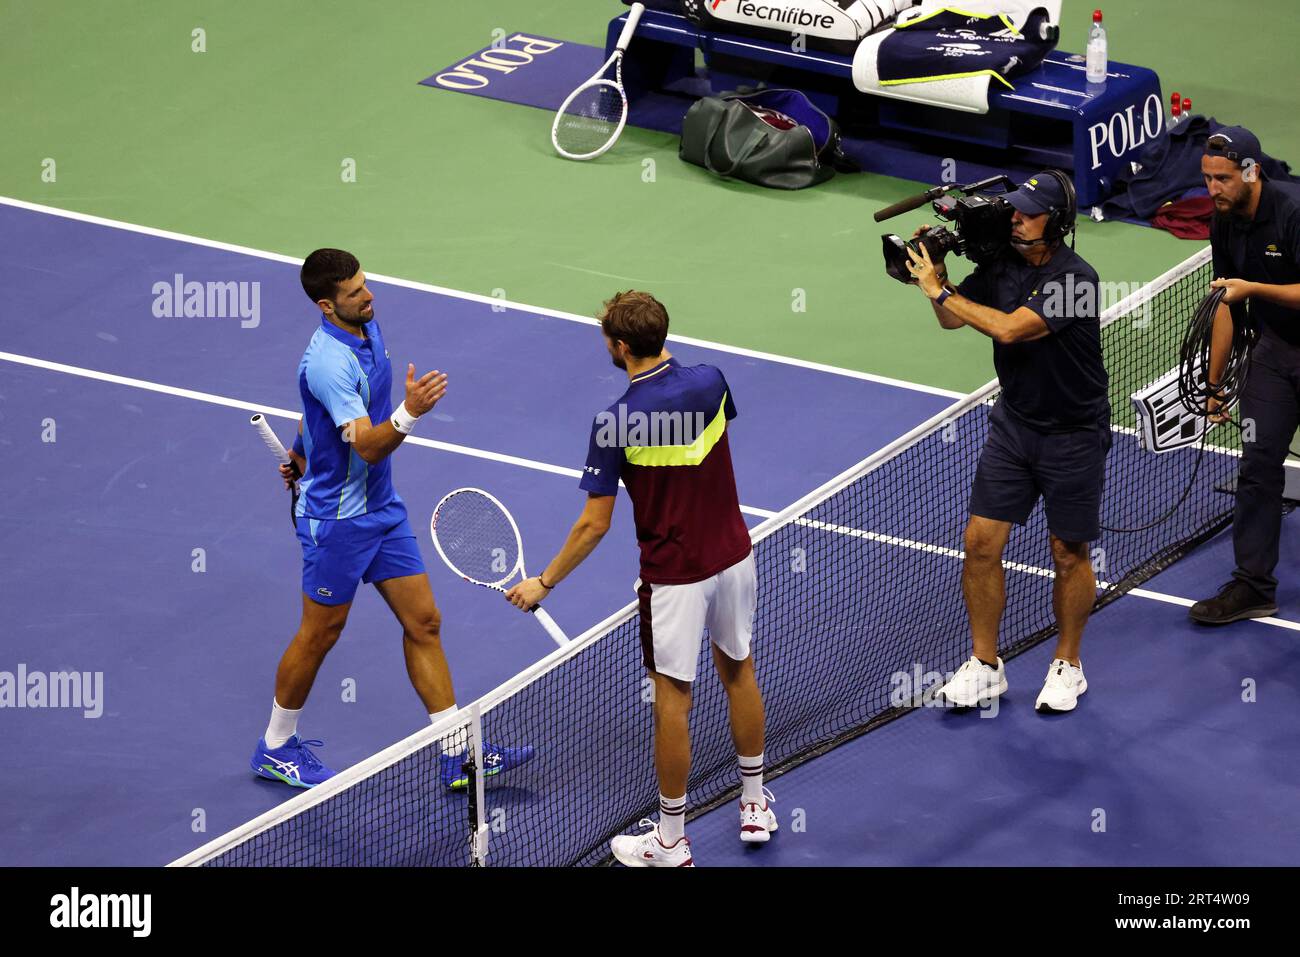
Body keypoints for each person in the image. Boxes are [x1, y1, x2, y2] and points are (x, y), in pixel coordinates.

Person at [504, 291, 773, 866]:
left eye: (607, 336)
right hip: (733, 555)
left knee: (672, 700)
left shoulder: (614, 424)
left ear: (620, 346)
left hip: (674, 578)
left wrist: (544, 583)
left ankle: (671, 841)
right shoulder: (712, 381)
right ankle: (754, 804)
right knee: (739, 670)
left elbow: (592, 526)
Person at [251, 248, 532, 789]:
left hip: (381, 510)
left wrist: (302, 454)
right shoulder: (328, 363)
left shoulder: (366, 329)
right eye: (355, 292)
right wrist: (411, 413)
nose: (369, 294)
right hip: (337, 522)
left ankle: (457, 753)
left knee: (423, 621)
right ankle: (275, 745)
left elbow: (321, 419)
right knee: (320, 634)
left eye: (366, 284)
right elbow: (370, 445)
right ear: (327, 306)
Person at [905, 171, 1109, 713]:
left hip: (1073, 435)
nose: (1015, 216)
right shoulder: (1001, 265)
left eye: (1029, 211)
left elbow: (1011, 330)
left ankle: (1068, 665)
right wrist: (939, 275)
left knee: (1068, 552)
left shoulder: (1077, 280)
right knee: (979, 542)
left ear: (1058, 222)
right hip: (1014, 426)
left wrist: (941, 289)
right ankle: (985, 665)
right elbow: (951, 322)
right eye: (1014, 207)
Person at [1190, 127, 1300, 625]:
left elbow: (1246, 289)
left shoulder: (1294, 213)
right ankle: (1254, 584)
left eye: (1223, 179)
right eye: (1208, 179)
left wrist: (1255, 286)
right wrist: (1215, 385)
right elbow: (1226, 303)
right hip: (1274, 354)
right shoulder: (1225, 222)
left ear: (1252, 172)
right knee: (1258, 466)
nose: (1213, 190)